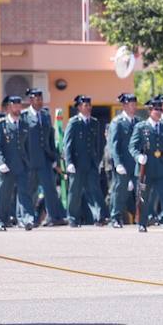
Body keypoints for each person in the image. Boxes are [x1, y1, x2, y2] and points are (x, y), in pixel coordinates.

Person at [130, 98, 163, 232]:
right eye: (155, 109)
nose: (158, 112)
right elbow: (132, 146)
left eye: (160, 109)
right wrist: (138, 156)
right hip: (145, 167)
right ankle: (142, 222)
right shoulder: (141, 127)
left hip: (161, 167)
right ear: (150, 111)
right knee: (144, 196)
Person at [22, 89, 67, 227]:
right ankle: (27, 218)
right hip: (30, 160)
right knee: (29, 191)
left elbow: (50, 138)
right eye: (37, 99)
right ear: (30, 100)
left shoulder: (46, 115)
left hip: (45, 160)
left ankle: (54, 217)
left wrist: (55, 158)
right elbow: (22, 141)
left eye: (41, 99)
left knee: (50, 190)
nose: (40, 102)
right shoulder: (24, 116)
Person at [63, 95, 105, 227]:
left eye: (89, 105)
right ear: (79, 107)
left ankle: (99, 216)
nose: (88, 108)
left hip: (91, 163)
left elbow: (99, 143)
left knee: (95, 190)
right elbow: (67, 144)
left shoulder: (94, 122)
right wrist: (69, 162)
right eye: (85, 106)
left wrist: (97, 160)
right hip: (76, 163)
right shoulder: (73, 122)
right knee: (75, 192)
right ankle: (73, 218)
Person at [0, 96, 32, 231]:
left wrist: (28, 162)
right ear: (9, 107)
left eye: (19, 105)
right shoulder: (1, 124)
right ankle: (0, 220)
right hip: (6, 166)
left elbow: (27, 146)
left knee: (24, 193)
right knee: (4, 194)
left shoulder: (24, 124)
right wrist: (0, 162)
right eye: (15, 105)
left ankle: (26, 219)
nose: (17, 108)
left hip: (22, 165)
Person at [108, 93, 138, 228]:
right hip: (123, 163)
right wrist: (118, 163)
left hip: (136, 163)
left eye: (135, 104)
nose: (134, 107)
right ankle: (115, 217)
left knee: (141, 190)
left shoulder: (138, 122)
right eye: (131, 104)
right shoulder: (117, 122)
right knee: (120, 191)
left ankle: (142, 216)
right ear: (124, 106)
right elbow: (113, 145)